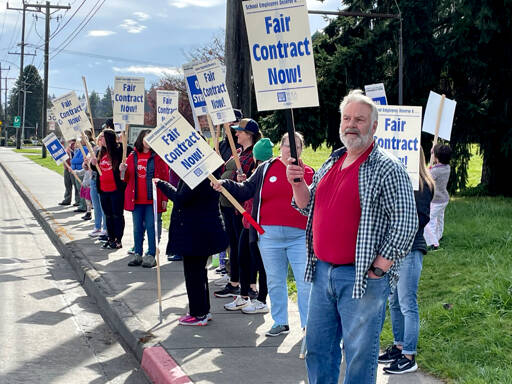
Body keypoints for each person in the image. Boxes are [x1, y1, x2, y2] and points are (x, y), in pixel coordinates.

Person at [286, 89, 418, 384]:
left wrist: (379, 267)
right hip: (322, 273)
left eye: (359, 119)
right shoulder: (333, 161)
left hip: (362, 278)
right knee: (319, 351)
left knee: (359, 355)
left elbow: (406, 222)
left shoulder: (387, 167)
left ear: (374, 126)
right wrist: (297, 184)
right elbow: (309, 208)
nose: (351, 124)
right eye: (347, 118)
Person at [214, 133, 314, 335]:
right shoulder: (266, 168)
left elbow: (313, 201)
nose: (292, 150)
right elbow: (246, 189)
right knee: (275, 280)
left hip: (299, 238)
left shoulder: (310, 172)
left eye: (297, 146)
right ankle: (280, 322)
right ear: (281, 148)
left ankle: (308, 326)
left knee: (304, 284)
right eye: (288, 145)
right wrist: (225, 184)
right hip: (269, 237)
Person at [378, 147, 434, 374]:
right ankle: (400, 346)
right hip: (393, 251)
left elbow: (419, 220)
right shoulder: (396, 182)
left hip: (410, 251)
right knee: (395, 302)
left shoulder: (422, 184)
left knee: (407, 303)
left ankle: (409, 356)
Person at [155, 169, 228, 326]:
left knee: (194, 274)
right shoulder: (209, 171)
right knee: (199, 272)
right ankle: (203, 310)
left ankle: (198, 313)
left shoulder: (197, 174)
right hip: (202, 230)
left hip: (196, 232)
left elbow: (182, 198)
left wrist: (162, 185)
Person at [213, 137, 275, 315]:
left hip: (259, 223)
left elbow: (256, 195)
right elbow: (245, 190)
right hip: (248, 222)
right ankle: (243, 295)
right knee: (242, 256)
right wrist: (239, 182)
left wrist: (242, 183)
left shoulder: (265, 171)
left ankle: (261, 298)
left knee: (259, 263)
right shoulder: (257, 171)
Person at [214, 118, 261, 298]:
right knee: (233, 246)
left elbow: (255, 178)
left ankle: (249, 286)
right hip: (229, 206)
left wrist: (246, 176)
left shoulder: (254, 155)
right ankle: (234, 282)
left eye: (239, 131)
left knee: (244, 249)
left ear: (248, 134)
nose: (236, 134)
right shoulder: (238, 152)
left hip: (242, 208)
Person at [120, 129, 169, 268]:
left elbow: (165, 178)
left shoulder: (158, 157)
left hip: (152, 200)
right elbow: (125, 179)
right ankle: (138, 254)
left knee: (152, 227)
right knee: (137, 228)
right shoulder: (132, 156)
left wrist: (164, 197)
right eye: (146, 138)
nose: (148, 141)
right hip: (136, 200)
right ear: (141, 139)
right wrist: (122, 170)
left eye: (151, 138)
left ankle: (151, 254)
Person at [90, 128, 126, 250]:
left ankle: (118, 239)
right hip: (103, 190)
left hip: (116, 190)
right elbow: (96, 168)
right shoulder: (101, 152)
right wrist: (92, 163)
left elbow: (127, 155)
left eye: (103, 137)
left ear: (109, 138)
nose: (100, 139)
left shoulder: (118, 150)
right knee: (108, 215)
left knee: (117, 215)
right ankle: (110, 238)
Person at [424, 143, 452, 250]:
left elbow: (427, 177)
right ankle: (438, 235)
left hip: (436, 200)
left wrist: (428, 169)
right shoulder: (447, 167)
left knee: (428, 220)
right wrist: (434, 153)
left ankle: (433, 243)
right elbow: (435, 168)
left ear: (436, 157)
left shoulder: (435, 171)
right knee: (440, 219)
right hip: (444, 199)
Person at [88, 131, 108, 238]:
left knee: (103, 206)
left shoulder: (107, 152)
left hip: (102, 181)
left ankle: (105, 228)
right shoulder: (95, 151)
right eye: (99, 138)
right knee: (96, 206)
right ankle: (97, 226)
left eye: (103, 138)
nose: (100, 140)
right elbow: (91, 167)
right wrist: (89, 163)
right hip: (94, 179)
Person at [59, 139, 80, 206]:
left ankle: (78, 200)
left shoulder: (75, 145)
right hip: (66, 168)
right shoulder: (68, 145)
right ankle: (67, 199)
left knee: (76, 185)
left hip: (72, 168)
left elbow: (75, 155)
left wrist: (70, 151)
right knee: (67, 184)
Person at [71, 137, 89, 213]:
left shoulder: (84, 149)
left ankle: (83, 205)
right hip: (76, 171)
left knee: (81, 189)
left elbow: (80, 159)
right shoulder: (78, 150)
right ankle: (81, 204)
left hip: (80, 171)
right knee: (79, 189)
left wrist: (72, 160)